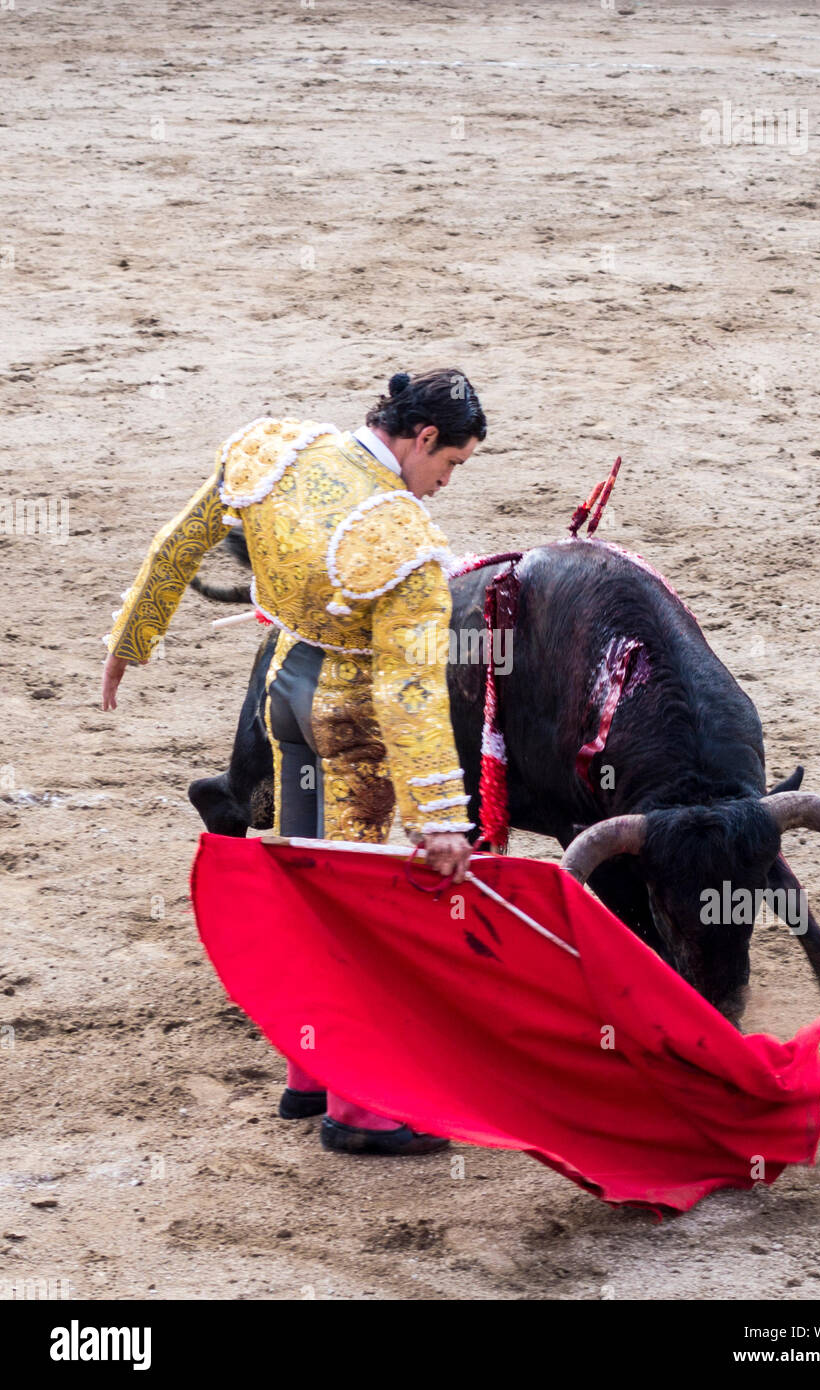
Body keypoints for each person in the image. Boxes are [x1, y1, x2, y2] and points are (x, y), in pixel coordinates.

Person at [102, 368, 487, 1154]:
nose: (444, 484)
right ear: (420, 440)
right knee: (354, 906)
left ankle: (308, 1070)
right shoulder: (407, 546)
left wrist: (130, 640)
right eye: (449, 464)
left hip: (282, 696)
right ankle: (359, 1107)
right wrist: (442, 818)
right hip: (349, 728)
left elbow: (179, 541)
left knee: (306, 889)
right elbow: (410, 693)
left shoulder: (275, 449)